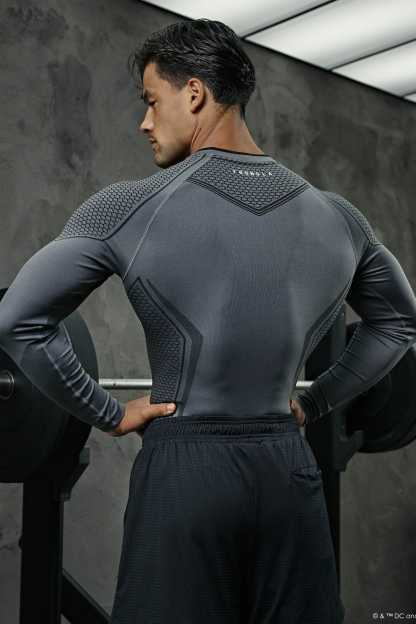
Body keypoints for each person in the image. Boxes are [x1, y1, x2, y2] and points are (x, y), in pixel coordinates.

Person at [1, 17, 416, 624]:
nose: (144, 122)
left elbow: (17, 321)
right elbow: (399, 323)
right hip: (288, 469)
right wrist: (318, 402)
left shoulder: (128, 205)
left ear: (193, 93)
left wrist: (109, 413)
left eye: (151, 101)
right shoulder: (339, 218)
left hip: (186, 474)